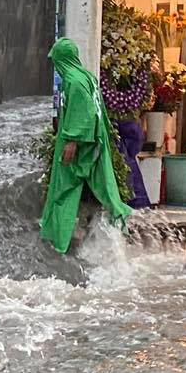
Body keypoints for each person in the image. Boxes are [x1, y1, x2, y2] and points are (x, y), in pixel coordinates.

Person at [41, 37, 131, 253]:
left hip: (80, 144)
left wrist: (72, 141)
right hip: (96, 141)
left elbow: (84, 112)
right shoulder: (87, 77)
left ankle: (56, 239)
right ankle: (119, 221)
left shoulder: (73, 80)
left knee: (63, 190)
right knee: (106, 185)